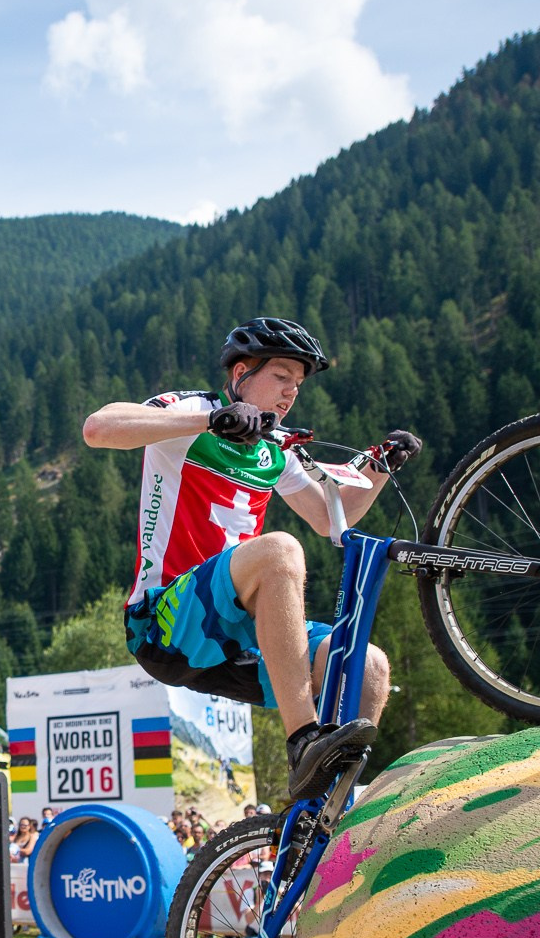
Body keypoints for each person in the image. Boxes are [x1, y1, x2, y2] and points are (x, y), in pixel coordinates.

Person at [83, 316, 420, 802]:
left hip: (237, 640)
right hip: (163, 625)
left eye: (298, 386)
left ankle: (323, 815)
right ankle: (304, 740)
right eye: (281, 377)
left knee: (367, 666)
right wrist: (210, 420)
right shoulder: (193, 410)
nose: (290, 394)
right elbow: (99, 428)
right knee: (279, 551)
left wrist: (380, 465)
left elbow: (333, 518)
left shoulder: (274, 451)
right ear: (241, 373)